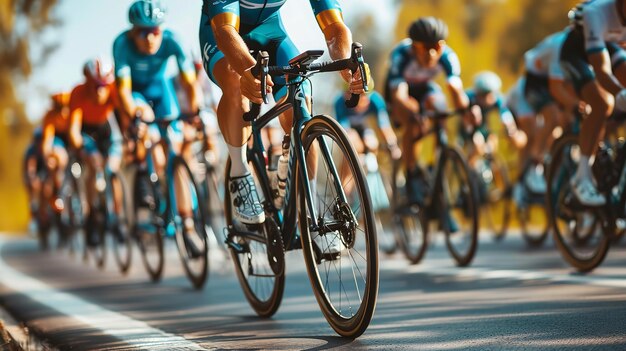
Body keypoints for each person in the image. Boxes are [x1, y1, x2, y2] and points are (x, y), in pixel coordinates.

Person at [199, 0, 369, 224]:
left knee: (301, 92)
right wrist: (249, 70)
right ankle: (239, 173)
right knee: (235, 80)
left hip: (271, 33)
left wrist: (346, 62)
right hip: (221, 33)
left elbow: (334, 26)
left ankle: (309, 210)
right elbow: (225, 32)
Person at [113, 0, 200, 238]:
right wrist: (135, 114)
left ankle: (188, 223)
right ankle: (149, 181)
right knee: (149, 125)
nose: (150, 38)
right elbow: (122, 92)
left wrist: (193, 113)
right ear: (133, 31)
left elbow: (190, 82)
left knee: (175, 148)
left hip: (161, 90)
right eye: (143, 32)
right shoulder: (121, 45)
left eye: (155, 31)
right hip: (136, 93)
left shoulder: (173, 41)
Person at [384, 16, 475, 205]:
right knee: (414, 121)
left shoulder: (448, 56)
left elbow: (455, 90)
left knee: (440, 107)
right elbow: (400, 96)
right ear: (414, 46)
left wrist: (468, 110)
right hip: (400, 91)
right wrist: (412, 113)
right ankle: (411, 176)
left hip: (425, 88)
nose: (432, 53)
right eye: (426, 47)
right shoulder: (401, 55)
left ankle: (437, 170)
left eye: (437, 47)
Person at [562, 0, 626, 206]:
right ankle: (582, 175)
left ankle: (608, 155)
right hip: (575, 54)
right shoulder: (596, 13)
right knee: (602, 103)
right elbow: (602, 71)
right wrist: (621, 93)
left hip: (608, 47)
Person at [68, 57, 124, 244]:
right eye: (95, 85)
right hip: (87, 131)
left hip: (106, 128)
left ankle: (117, 217)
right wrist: (80, 148)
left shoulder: (114, 89)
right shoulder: (78, 92)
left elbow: (123, 116)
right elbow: (74, 129)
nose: (100, 90)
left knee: (112, 169)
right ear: (87, 82)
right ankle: (92, 215)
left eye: (104, 86)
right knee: (94, 164)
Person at [334, 90, 400, 159]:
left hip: (363, 126)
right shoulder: (340, 102)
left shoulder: (375, 100)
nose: (362, 101)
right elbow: (345, 129)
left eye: (364, 98)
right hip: (349, 128)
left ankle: (370, 166)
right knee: (353, 148)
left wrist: (392, 145)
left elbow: (384, 125)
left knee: (372, 144)